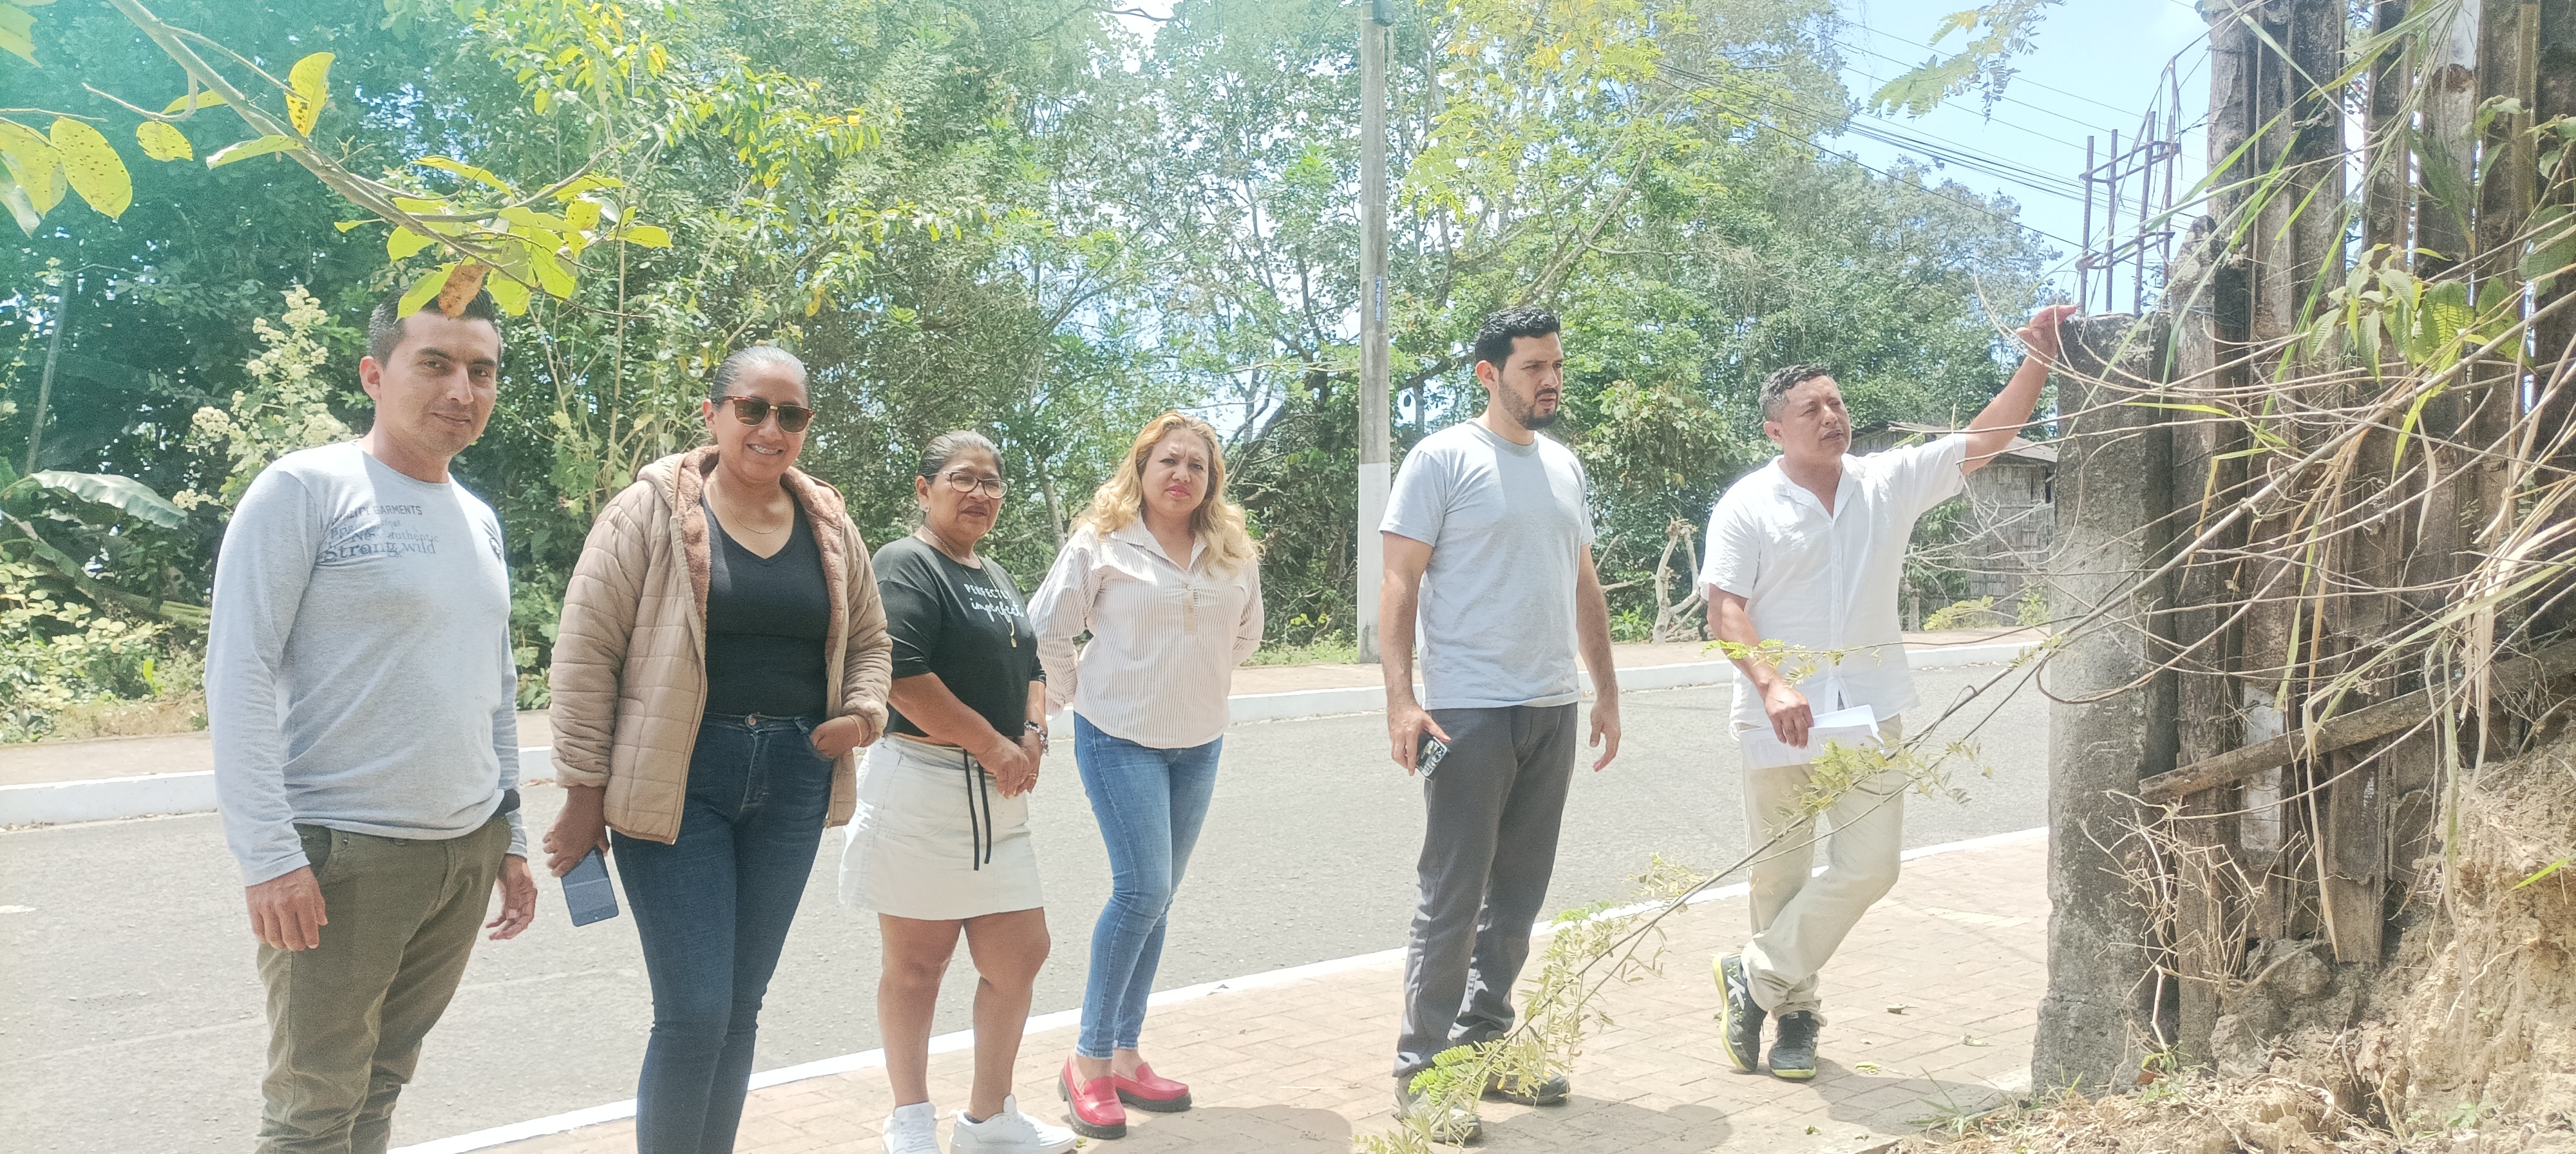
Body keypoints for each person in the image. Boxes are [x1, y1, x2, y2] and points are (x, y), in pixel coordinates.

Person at [1701, 303, 2078, 1082]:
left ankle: (1755, 974)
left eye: (1835, 402)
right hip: (1778, 717)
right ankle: (1795, 1016)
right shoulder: (1746, 504)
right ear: (1774, 430)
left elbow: (1985, 440)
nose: (1830, 416)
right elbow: (1724, 609)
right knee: (1779, 874)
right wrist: (1771, 685)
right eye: (1810, 408)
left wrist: (2038, 357)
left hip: (1868, 710)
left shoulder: (1885, 482)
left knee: (1871, 865)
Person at [209, 288, 538, 1154]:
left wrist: (510, 835)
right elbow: (238, 674)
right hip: (344, 857)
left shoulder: (479, 518)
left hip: (464, 852)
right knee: (313, 1113)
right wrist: (269, 857)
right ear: (373, 374)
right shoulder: (305, 489)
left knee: (382, 1084)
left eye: (481, 370)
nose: (461, 389)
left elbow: (496, 686)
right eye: (435, 363)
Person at [543, 346, 893, 1153]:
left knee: (740, 1008)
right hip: (678, 777)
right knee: (695, 1010)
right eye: (752, 408)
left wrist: (864, 713)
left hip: (795, 778)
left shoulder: (829, 523)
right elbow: (586, 653)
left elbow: (872, 640)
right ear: (713, 413)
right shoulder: (647, 511)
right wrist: (583, 791)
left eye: (791, 414)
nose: (771, 428)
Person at [1379, 305, 1623, 1142]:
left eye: (1556, 365)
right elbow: (1399, 583)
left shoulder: (1563, 466)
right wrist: (1401, 699)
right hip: (1466, 710)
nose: (1550, 380)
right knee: (1452, 895)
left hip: (1550, 707)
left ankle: (1484, 1045)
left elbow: (1583, 582)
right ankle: (1422, 1071)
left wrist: (1606, 690)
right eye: (1532, 367)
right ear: (1488, 374)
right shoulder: (1442, 458)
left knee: (1517, 896)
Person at [1028, 412, 1265, 1140]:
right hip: (1118, 737)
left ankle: (1126, 1055)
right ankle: (1088, 1061)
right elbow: (1045, 625)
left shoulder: (1231, 550)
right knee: (1142, 891)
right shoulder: (1102, 542)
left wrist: (1191, 677)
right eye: (1168, 461)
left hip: (1199, 742)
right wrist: (1072, 694)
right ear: (1142, 468)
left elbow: (1247, 634)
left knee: (1158, 900)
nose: (1182, 474)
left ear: (1211, 479)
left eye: (1197, 465)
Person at [840, 431, 1075, 1154]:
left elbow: (1033, 666)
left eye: (991, 482)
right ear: (924, 488)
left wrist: (1031, 732)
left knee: (1020, 955)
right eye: (962, 478)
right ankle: (910, 1120)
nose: (979, 493)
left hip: (999, 795)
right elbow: (902, 674)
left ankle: (989, 1120)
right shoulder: (906, 563)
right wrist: (993, 744)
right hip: (924, 787)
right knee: (918, 967)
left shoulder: (994, 573)